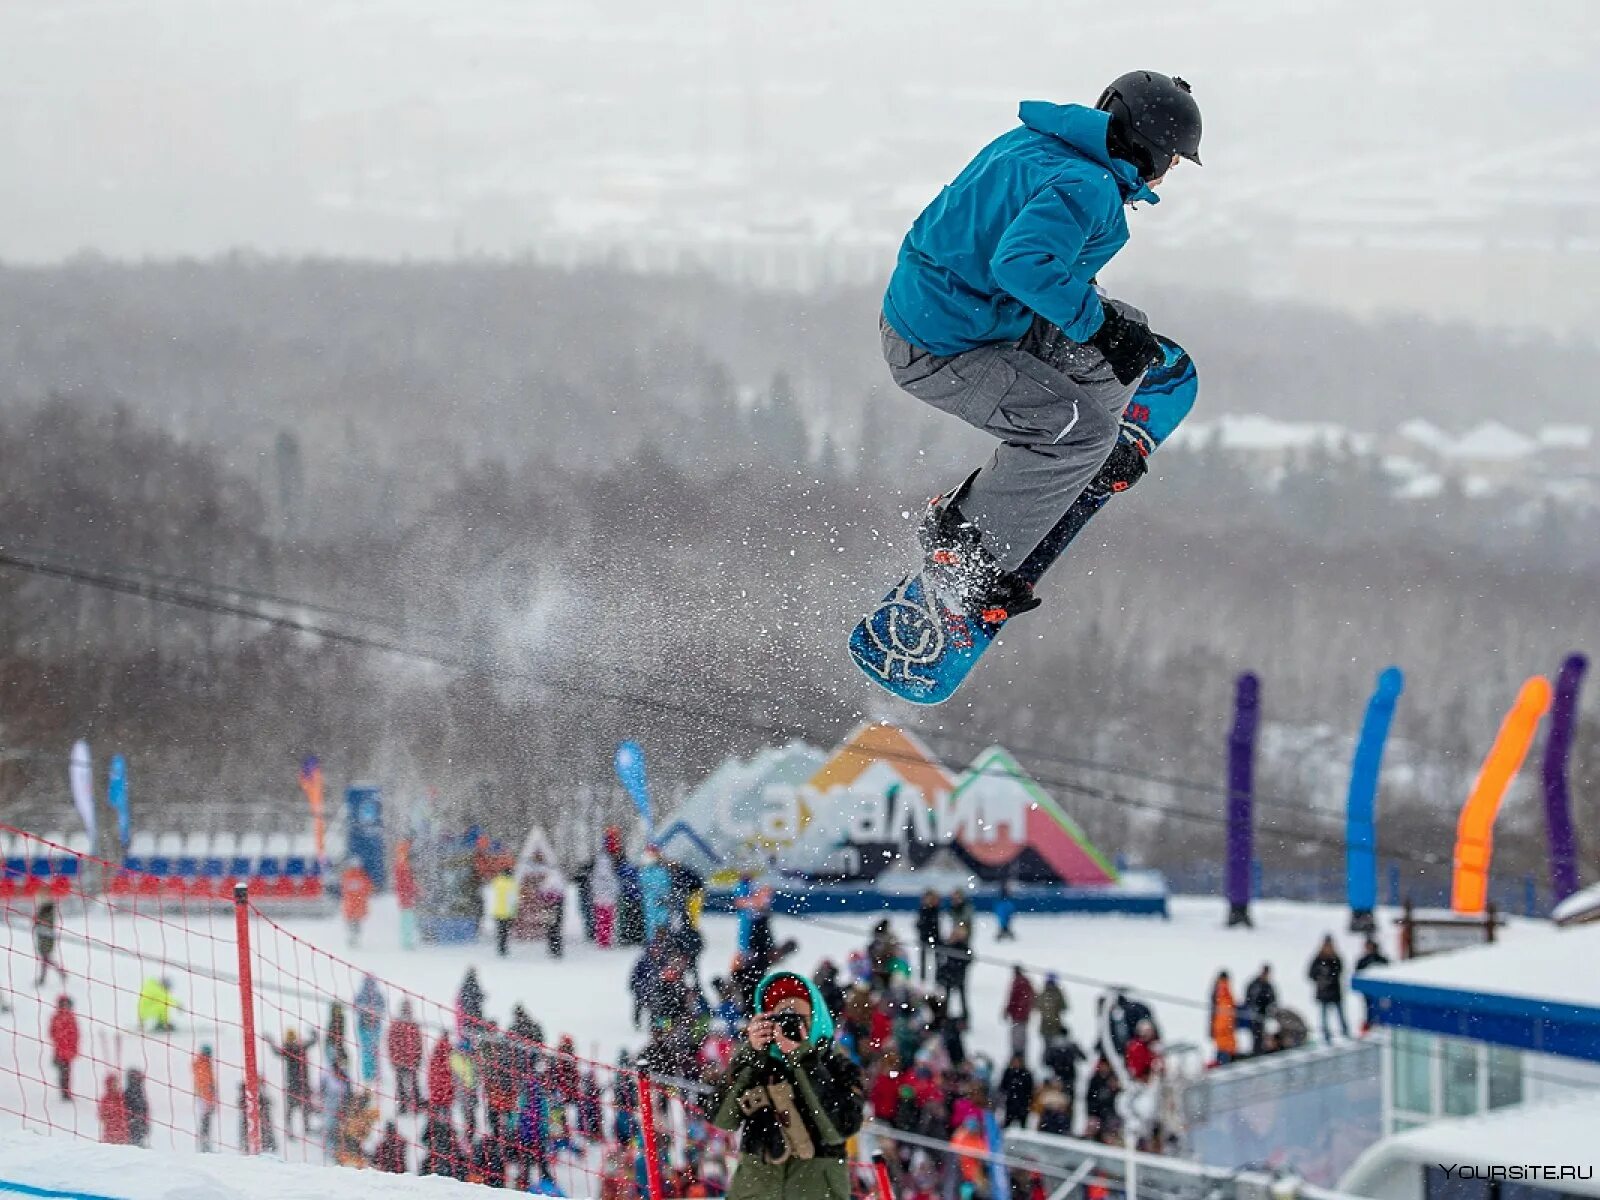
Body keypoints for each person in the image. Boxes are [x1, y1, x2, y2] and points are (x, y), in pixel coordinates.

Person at [879, 72, 1202, 619]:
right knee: (1077, 432)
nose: (1170, 171)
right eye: (1171, 157)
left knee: (1127, 336)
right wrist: (1096, 326)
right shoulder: (1089, 186)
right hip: (940, 348)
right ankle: (961, 552)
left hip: (964, 315)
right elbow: (1022, 265)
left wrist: (1106, 326)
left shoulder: (1039, 145)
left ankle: (1082, 458)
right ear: (1147, 145)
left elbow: (1015, 248)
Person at [710, 970, 865, 1200]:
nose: (788, 1026)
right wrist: (751, 1054)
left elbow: (841, 1128)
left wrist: (803, 1058)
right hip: (756, 1189)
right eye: (779, 1018)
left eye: (798, 1019)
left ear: (817, 1019)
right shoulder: (758, 1063)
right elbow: (720, 1117)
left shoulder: (837, 1065)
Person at [266, 1027, 319, 1140]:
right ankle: (304, 1127)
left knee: (293, 1109)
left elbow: (276, 1052)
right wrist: (314, 1034)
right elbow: (313, 1041)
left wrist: (270, 1041)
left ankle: (291, 1130)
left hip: (293, 1083)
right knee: (303, 1107)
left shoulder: (288, 1050)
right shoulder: (300, 1047)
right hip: (302, 1082)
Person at [1308, 935, 1349, 1042]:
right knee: (1324, 1015)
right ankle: (1326, 1035)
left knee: (1340, 1013)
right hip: (1323, 992)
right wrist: (1321, 979)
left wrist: (1330, 977)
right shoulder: (1318, 959)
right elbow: (1311, 973)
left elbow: (1339, 971)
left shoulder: (1335, 958)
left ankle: (1345, 1033)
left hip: (1334, 991)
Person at [388, 998, 424, 1112]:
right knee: (407, 1083)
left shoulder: (401, 1024)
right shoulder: (405, 1024)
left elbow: (418, 1042)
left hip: (405, 1059)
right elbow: (391, 1043)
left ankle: (409, 1104)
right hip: (406, 1059)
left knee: (408, 1083)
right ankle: (408, 1104)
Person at [936, 923, 973, 1022]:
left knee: (962, 998)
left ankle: (965, 1017)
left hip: (959, 976)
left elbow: (969, 959)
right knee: (947, 998)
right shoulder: (948, 945)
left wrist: (959, 963)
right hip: (949, 976)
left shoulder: (963, 947)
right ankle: (945, 1016)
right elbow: (941, 960)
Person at [354, 973, 386, 1084]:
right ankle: (369, 1074)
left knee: (372, 1050)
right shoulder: (363, 995)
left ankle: (373, 1073)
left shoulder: (376, 995)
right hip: (366, 1026)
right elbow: (356, 1007)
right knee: (368, 1050)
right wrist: (368, 1011)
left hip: (373, 1026)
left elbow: (382, 1008)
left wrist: (371, 1011)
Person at [1354, 937, 1390, 1031]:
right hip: (1367, 992)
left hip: (1380, 992)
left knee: (1381, 1009)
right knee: (1369, 1010)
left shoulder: (1381, 960)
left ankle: (1381, 1027)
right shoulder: (1363, 961)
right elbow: (1357, 974)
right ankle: (1370, 1028)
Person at [48, 994, 79, 1100]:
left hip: (68, 1051)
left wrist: (74, 1048)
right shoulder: (57, 1017)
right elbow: (52, 1032)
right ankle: (64, 1092)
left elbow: (75, 1034)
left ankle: (66, 1091)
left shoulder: (70, 1017)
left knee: (67, 1073)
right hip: (60, 1051)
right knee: (64, 1073)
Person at [639, 847, 673, 943]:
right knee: (652, 921)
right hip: (651, 900)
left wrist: (663, 896)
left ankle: (660, 941)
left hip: (658, 900)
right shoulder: (646, 870)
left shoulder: (660, 870)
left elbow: (665, 884)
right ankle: (653, 941)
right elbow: (644, 884)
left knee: (661, 920)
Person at [1243, 965, 1277, 1054]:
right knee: (1256, 1035)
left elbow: (1273, 1000)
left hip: (1265, 1016)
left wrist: (1271, 1011)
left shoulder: (1269, 986)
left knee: (1265, 1035)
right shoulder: (1254, 984)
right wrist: (1252, 1009)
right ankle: (1257, 1052)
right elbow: (1248, 999)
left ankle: (1263, 1051)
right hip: (1255, 1015)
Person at [1004, 965, 1037, 1058]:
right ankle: (1018, 1057)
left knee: (1018, 1038)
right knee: (1019, 1037)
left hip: (1019, 1016)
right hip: (1020, 1015)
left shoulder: (1019, 982)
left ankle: (1018, 1057)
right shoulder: (1024, 982)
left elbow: (1013, 998)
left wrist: (1009, 1010)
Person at [590, 850, 620, 949]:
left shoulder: (596, 875)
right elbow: (615, 887)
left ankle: (603, 940)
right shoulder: (609, 874)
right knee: (606, 921)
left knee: (602, 921)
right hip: (606, 901)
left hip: (601, 900)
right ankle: (605, 940)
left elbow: (594, 887)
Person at [488, 864, 520, 958]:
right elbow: (513, 899)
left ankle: (500, 948)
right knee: (505, 932)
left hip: (497, 911)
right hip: (508, 912)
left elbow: (491, 896)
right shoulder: (512, 884)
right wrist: (515, 911)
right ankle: (503, 949)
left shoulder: (496, 882)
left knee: (500, 931)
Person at [33, 899, 66, 988]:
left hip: (47, 940)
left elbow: (44, 924)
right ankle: (61, 973)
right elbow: (37, 924)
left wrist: (38, 921)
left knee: (45, 960)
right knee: (46, 960)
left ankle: (43, 979)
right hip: (42, 939)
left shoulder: (49, 913)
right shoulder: (43, 913)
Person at [340, 860, 373, 949]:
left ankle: (352, 938)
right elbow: (368, 889)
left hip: (350, 905)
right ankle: (355, 938)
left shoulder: (347, 876)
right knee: (357, 923)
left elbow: (343, 889)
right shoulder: (363, 876)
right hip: (359, 905)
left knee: (351, 923)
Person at [394, 843, 420, 951]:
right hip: (406, 897)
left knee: (407, 919)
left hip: (405, 897)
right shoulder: (404, 867)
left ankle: (407, 941)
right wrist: (417, 890)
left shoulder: (401, 865)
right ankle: (407, 942)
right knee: (408, 920)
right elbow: (407, 883)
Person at [192, 1045, 218, 1152]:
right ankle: (204, 1145)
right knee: (205, 1120)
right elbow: (205, 1083)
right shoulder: (203, 1064)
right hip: (204, 1096)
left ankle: (205, 1143)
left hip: (203, 1095)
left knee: (205, 1120)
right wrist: (209, 1099)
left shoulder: (203, 1063)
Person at [999, 1051, 1035, 1129]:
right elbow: (1002, 1087)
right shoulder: (1008, 1072)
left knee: (1023, 1126)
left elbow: (1030, 1090)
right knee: (1006, 1125)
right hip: (1010, 1103)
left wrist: (1028, 1102)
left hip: (1022, 1104)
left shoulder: (1027, 1074)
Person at [1210, 971, 1238, 1065]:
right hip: (1225, 1031)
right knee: (1225, 1057)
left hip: (1221, 1031)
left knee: (1221, 1052)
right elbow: (1227, 1011)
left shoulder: (1217, 990)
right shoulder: (1224, 989)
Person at [914, 891, 943, 982]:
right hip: (925, 937)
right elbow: (920, 923)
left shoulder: (935, 909)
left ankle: (938, 978)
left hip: (935, 937)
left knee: (938, 959)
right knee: (923, 960)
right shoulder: (923, 909)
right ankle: (923, 978)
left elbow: (934, 924)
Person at [1036, 973, 1069, 1048]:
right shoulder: (1057, 993)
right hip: (1054, 1027)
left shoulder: (1043, 993)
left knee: (1049, 1048)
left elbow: (1037, 1006)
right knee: (1053, 1049)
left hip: (1048, 1027)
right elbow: (1064, 1007)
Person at [98, 1071, 130, 1145]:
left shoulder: (121, 1096)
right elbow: (102, 1115)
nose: (115, 1085)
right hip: (110, 1132)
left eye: (116, 1083)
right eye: (113, 1083)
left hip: (122, 1131)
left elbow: (127, 1111)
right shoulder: (106, 1099)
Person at [125, 1069, 151, 1148]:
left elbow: (145, 1110)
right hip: (133, 1126)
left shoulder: (139, 1092)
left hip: (138, 1125)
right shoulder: (130, 1093)